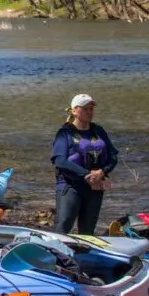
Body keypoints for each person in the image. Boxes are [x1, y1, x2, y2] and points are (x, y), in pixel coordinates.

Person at [51, 94, 119, 235]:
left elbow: (113, 156)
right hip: (70, 186)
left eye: (91, 109)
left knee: (87, 232)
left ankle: (82, 255)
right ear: (74, 111)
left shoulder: (98, 131)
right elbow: (59, 161)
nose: (89, 112)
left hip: (95, 187)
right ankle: (54, 253)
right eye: (85, 109)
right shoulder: (64, 134)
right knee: (63, 226)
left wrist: (102, 172)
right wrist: (86, 175)